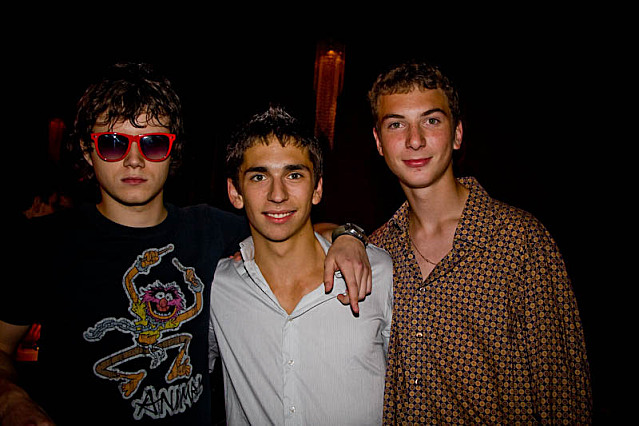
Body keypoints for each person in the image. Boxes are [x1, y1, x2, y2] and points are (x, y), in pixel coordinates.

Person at [0, 63, 371, 425]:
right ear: (87, 149)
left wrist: (347, 236)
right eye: (113, 143)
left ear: (172, 150)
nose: (134, 160)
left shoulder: (209, 229)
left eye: (153, 143)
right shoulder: (44, 243)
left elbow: (294, 227)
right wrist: (11, 400)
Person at [367, 62, 592, 424]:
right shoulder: (378, 251)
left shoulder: (519, 240)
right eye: (396, 124)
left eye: (431, 121)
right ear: (379, 142)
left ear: (457, 134)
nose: (414, 140)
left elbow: (563, 394)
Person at [209, 106, 393, 424]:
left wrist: (349, 234)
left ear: (317, 188)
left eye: (293, 175)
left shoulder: (377, 273)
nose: (277, 194)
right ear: (235, 193)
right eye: (259, 177)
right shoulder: (218, 288)